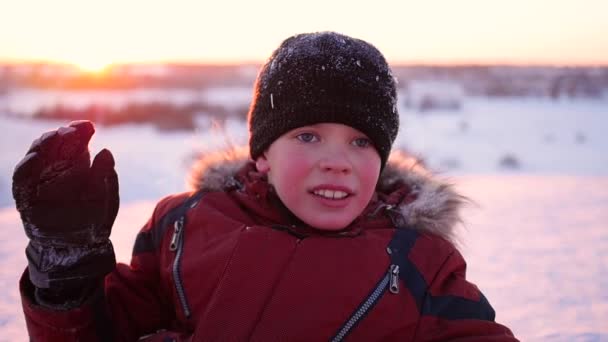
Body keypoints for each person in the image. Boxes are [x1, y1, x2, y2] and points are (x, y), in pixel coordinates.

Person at [14, 31, 517, 341]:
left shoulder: (418, 262)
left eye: (362, 142)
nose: (337, 162)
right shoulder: (184, 226)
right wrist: (66, 271)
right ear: (262, 154)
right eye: (308, 135)